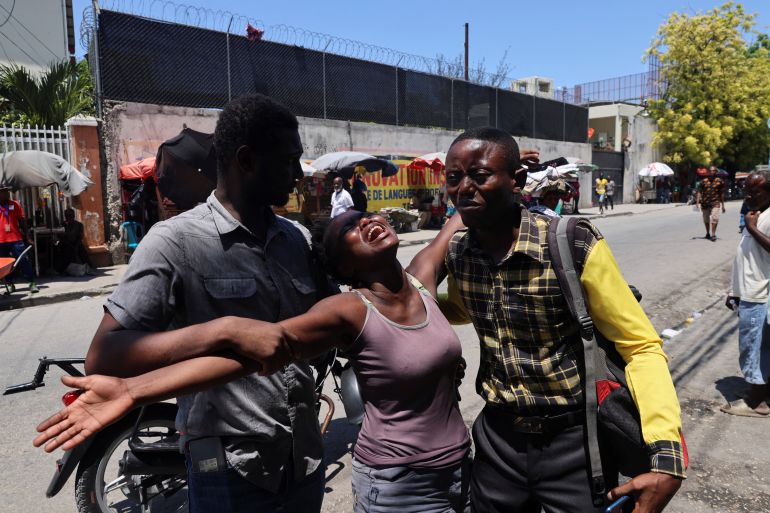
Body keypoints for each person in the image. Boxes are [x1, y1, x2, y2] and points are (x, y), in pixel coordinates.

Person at [35, 209, 473, 513]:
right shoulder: (348, 311)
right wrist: (132, 390)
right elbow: (249, 356)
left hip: (461, 468)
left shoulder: (422, 281)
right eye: (352, 230)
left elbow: (457, 219)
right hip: (401, 484)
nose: (369, 224)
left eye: (367, 218)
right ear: (343, 268)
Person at [47, 95, 332, 513]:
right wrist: (224, 329)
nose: (297, 175)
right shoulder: (174, 243)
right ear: (246, 160)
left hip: (304, 463)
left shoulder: (297, 239)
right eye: (288, 162)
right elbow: (105, 355)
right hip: (231, 475)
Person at [410, 127, 685, 513]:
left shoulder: (570, 241)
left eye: (480, 175)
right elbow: (461, 307)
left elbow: (639, 345)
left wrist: (667, 456)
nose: (464, 188)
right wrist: (390, 301)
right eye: (454, 178)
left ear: (517, 181)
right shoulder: (459, 252)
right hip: (497, 440)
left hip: (573, 443)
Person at [723, 171, 770, 417]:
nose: (749, 195)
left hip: (759, 295)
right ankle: (761, 393)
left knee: (753, 348)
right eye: (747, 190)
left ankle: (757, 403)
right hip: (749, 291)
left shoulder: (764, 218)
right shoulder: (756, 214)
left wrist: (752, 228)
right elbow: (748, 257)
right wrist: (734, 291)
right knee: (760, 348)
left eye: (755, 191)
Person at [0, 185, 38, 294]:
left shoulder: (15, 204)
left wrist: (28, 237)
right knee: (5, 266)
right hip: (1, 241)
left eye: (7, 191)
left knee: (23, 260)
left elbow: (22, 222)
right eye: (3, 192)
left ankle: (31, 283)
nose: (7, 193)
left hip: (16, 239)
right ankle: (10, 284)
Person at [55, 208, 95, 275]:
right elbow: (60, 237)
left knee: (82, 250)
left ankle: (89, 267)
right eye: (67, 216)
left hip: (76, 243)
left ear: (73, 216)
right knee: (62, 250)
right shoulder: (62, 225)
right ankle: (63, 269)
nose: (69, 217)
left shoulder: (79, 225)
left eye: (70, 216)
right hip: (66, 244)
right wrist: (67, 243)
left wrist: (76, 246)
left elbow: (80, 237)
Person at [696, 166, 725, 241]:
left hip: (715, 202)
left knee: (715, 218)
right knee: (706, 219)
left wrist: (723, 205)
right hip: (705, 203)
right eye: (711, 171)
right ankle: (707, 233)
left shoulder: (720, 181)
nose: (712, 172)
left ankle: (713, 234)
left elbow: (721, 193)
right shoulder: (703, 181)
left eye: (714, 171)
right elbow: (699, 191)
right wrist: (697, 202)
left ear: (716, 172)